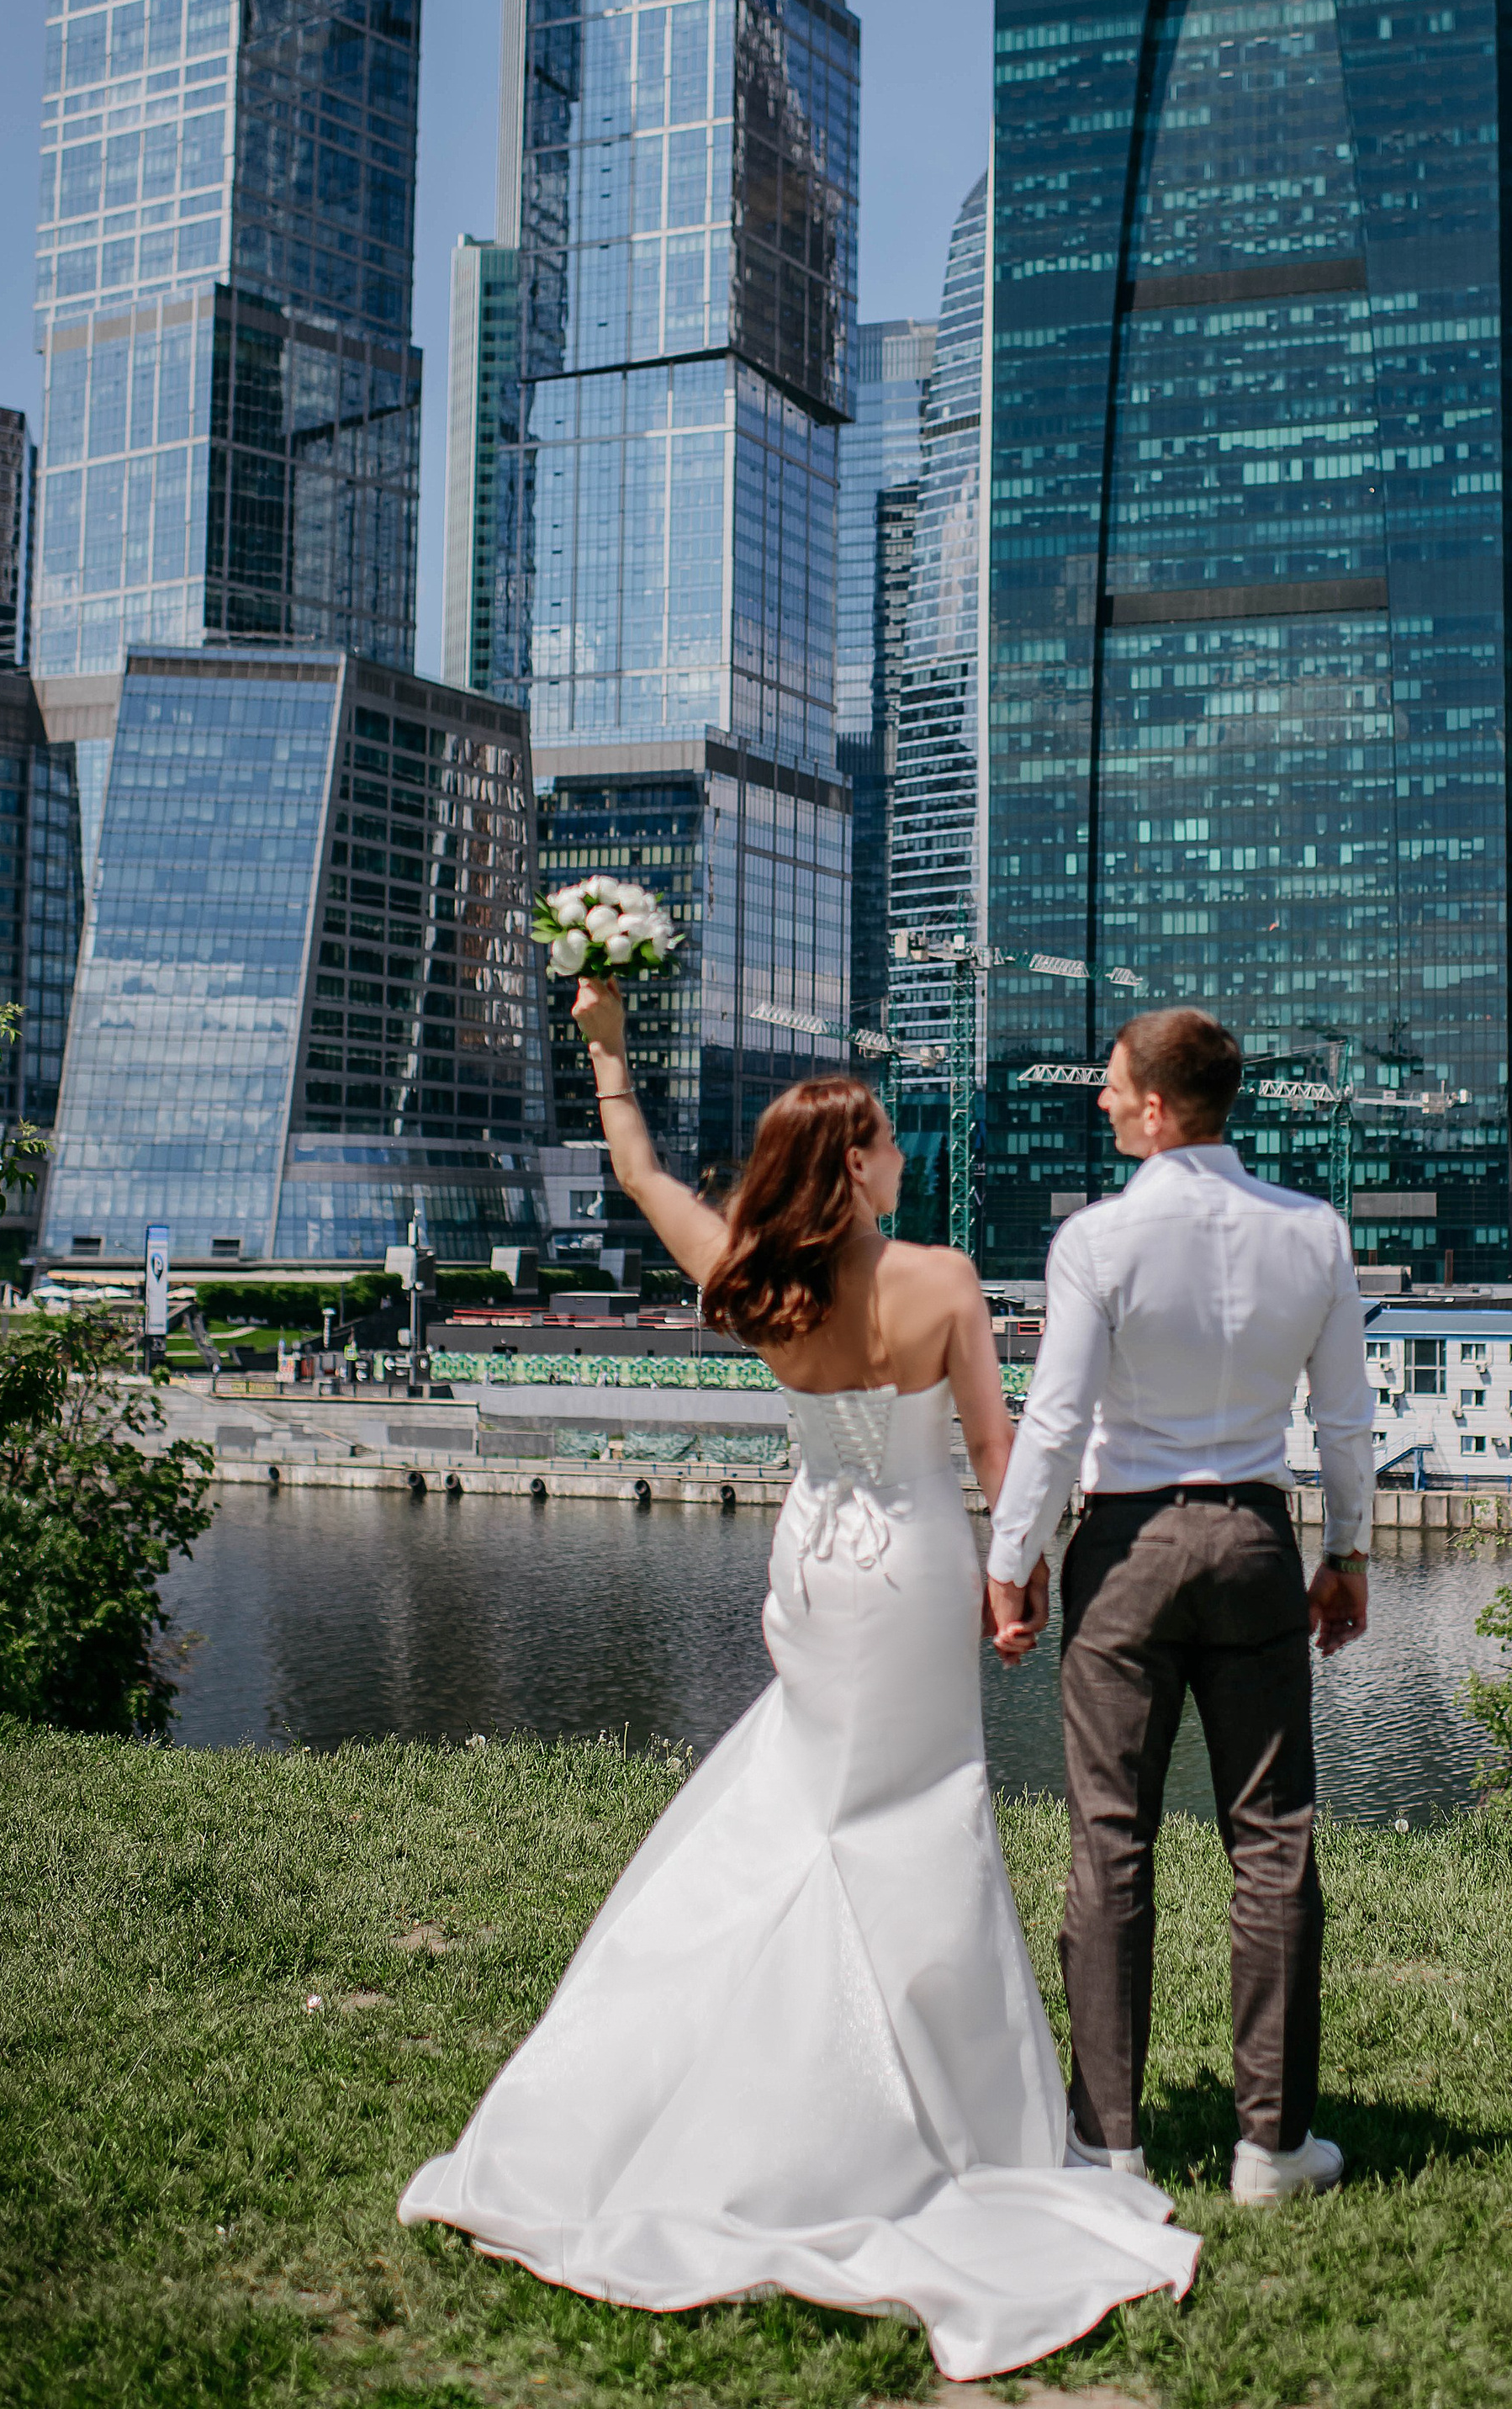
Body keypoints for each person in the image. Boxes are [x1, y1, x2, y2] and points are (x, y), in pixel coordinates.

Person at [399, 977, 1199, 2381]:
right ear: (854, 1161)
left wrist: (604, 1049)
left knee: (807, 1805)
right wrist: (1024, 1584)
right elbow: (998, 1455)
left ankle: (719, 2092)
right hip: (916, 1570)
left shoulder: (751, 1282)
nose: (899, 1154)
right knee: (919, 1813)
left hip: (814, 1576)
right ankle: (930, 2123)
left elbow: (639, 1167)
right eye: (884, 1138)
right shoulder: (941, 1280)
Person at [985, 1007, 1375, 2207]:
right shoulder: (1315, 1231)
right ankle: (1270, 2148)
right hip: (1256, 1540)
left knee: (1111, 1839)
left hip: (1128, 1549)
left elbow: (1054, 1422)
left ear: (1158, 1107)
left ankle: (1109, 2147)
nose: (1098, 1102)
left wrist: (1013, 1557)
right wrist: (1348, 1550)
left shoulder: (1095, 1241)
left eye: (1111, 1088)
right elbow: (1347, 1419)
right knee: (1273, 1840)